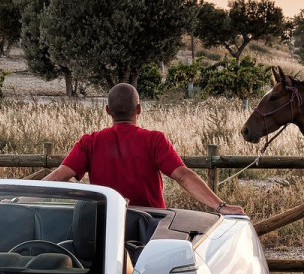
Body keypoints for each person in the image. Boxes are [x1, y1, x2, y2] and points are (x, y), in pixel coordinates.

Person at [45, 83, 245, 214]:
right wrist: (221, 206)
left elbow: (58, 177)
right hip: (149, 223)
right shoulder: (154, 140)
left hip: (106, 226)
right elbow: (183, 176)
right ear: (139, 109)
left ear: (107, 111)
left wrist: (15, 198)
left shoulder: (89, 142)